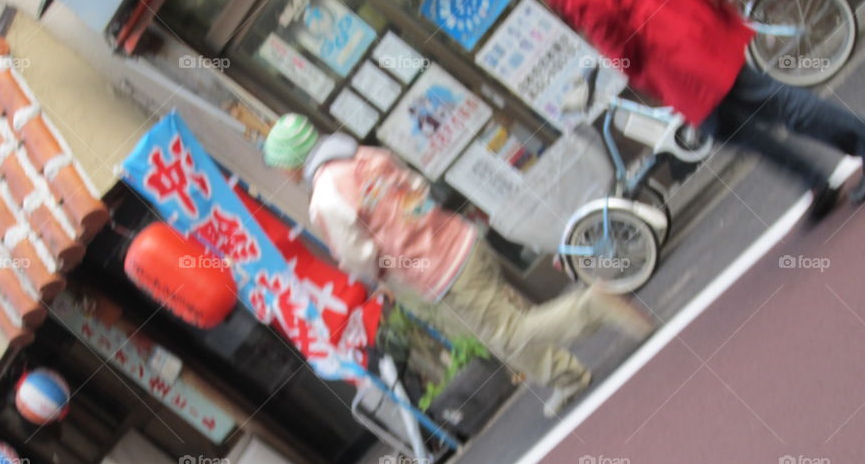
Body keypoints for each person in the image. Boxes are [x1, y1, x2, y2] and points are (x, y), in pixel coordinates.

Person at [263, 114, 653, 417]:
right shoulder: (365, 157)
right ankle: (567, 376)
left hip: (439, 269)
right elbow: (416, 186)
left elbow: (357, 255)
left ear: (292, 164)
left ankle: (590, 306)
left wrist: (383, 269)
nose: (282, 174)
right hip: (461, 239)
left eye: (280, 165)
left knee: (508, 333)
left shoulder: (326, 197)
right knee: (500, 332)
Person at [517, 0, 865, 220]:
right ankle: (814, 179)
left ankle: (838, 159)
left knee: (762, 100)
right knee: (730, 121)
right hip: (673, 4)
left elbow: (595, 9)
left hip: (659, 35)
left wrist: (627, 61)